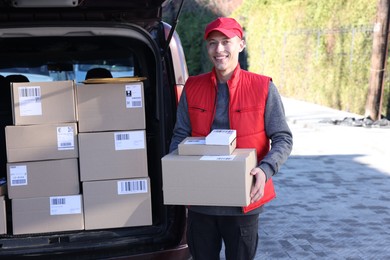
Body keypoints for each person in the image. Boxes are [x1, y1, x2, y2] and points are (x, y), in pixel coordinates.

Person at [169, 17, 293, 260]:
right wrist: (177, 173)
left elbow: (283, 138)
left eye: (226, 41)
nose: (219, 50)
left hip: (243, 202)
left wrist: (265, 169)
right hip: (200, 201)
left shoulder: (263, 87)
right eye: (213, 43)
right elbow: (180, 135)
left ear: (241, 44)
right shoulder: (193, 87)